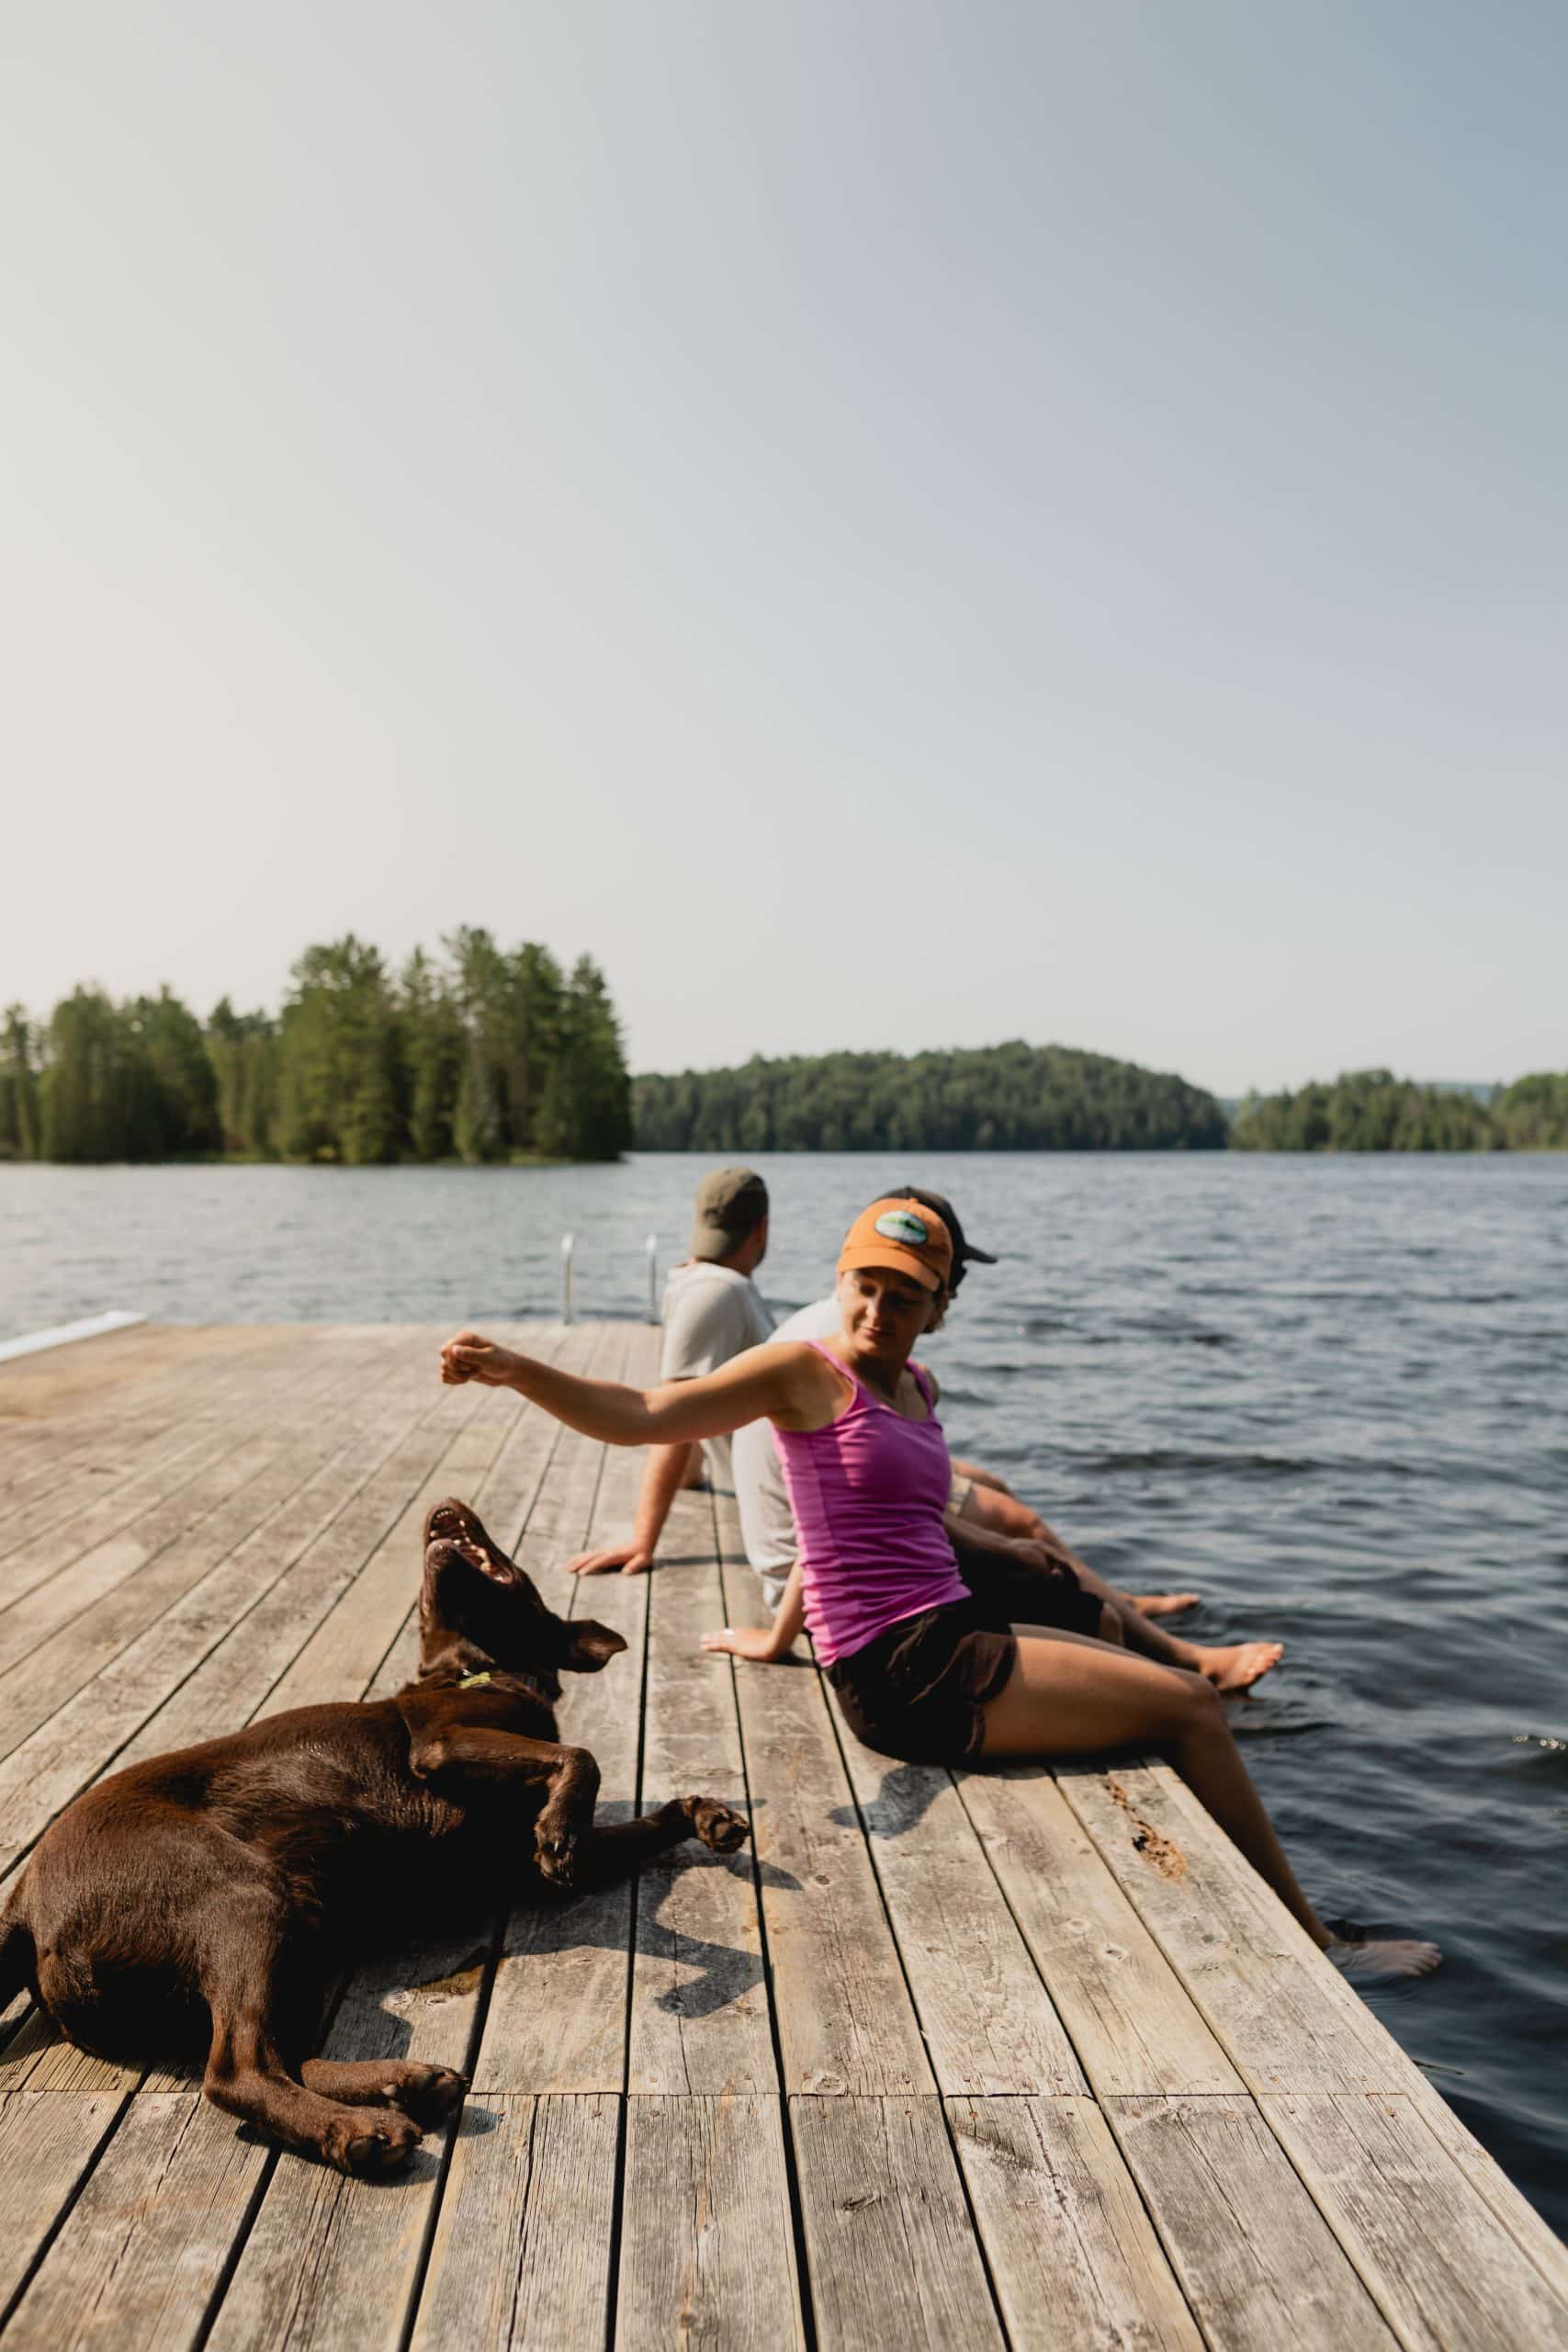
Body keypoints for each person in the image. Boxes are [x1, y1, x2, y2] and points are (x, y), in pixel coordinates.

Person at [439, 1200, 1438, 1981]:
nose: (879, 1313)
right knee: (1188, 1707)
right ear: (838, 1281)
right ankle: (1319, 1943)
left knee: (1125, 1650)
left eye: (906, 1296)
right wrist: (520, 1369)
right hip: (903, 1672)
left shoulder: (916, 1389)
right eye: (864, 1287)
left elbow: (864, 1534)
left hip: (948, 1629)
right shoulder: (800, 1372)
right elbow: (648, 1410)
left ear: (940, 1307)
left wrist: (785, 1629)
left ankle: (1279, 1875)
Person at [731, 1186, 1280, 1693]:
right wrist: (778, 1639)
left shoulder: (861, 1333)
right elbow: (829, 1522)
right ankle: (1176, 1655)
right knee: (1027, 1533)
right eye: (955, 1270)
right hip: (826, 1592)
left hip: (807, 1563)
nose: (959, 1288)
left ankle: (1120, 1606)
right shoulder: (850, 1344)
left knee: (993, 1490)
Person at [567, 1166, 773, 1579]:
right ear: (762, 1228)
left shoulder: (694, 1279)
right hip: (783, 1503)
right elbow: (673, 1414)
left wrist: (692, 1474)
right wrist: (643, 1541)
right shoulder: (716, 1291)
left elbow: (703, 1392)